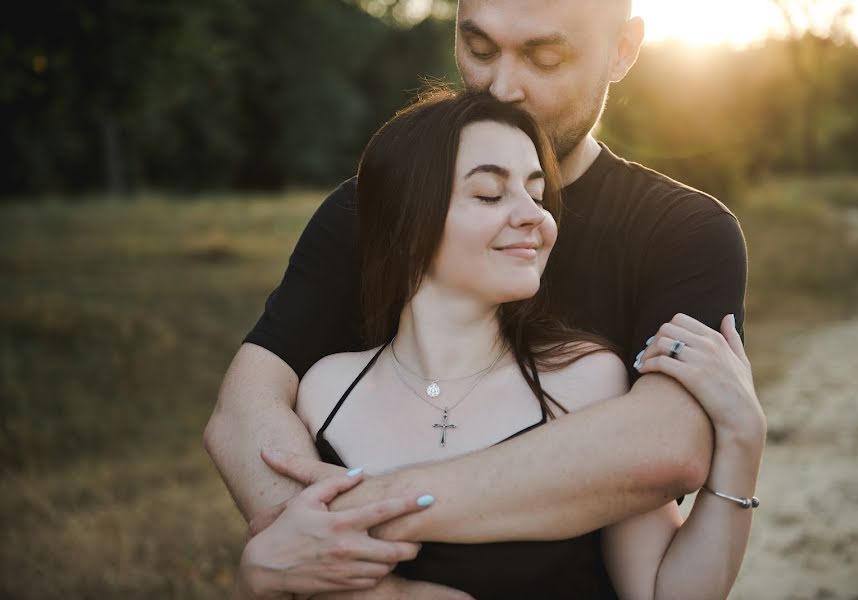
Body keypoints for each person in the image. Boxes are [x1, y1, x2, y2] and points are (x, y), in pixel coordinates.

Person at [205, 0, 758, 597]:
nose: (501, 87)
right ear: (408, 227)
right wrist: (315, 563)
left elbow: (662, 447)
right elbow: (246, 410)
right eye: (480, 49)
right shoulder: (366, 212)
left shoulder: (678, 233)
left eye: (544, 57)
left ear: (622, 50)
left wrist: (357, 514)